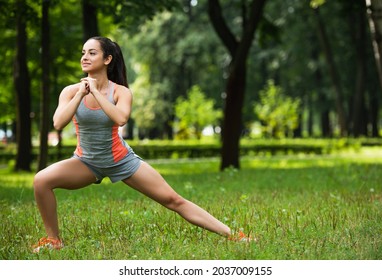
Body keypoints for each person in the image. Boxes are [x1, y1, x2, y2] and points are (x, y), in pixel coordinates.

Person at [32, 36, 250, 253]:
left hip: (121, 160)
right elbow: (58, 123)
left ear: (107, 59)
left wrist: (96, 92)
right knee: (41, 180)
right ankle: (54, 241)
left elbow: (120, 119)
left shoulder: (120, 92)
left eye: (92, 53)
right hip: (86, 162)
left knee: (173, 200)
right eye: (83, 53)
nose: (85, 58)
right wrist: (81, 93)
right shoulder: (70, 92)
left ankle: (234, 236)